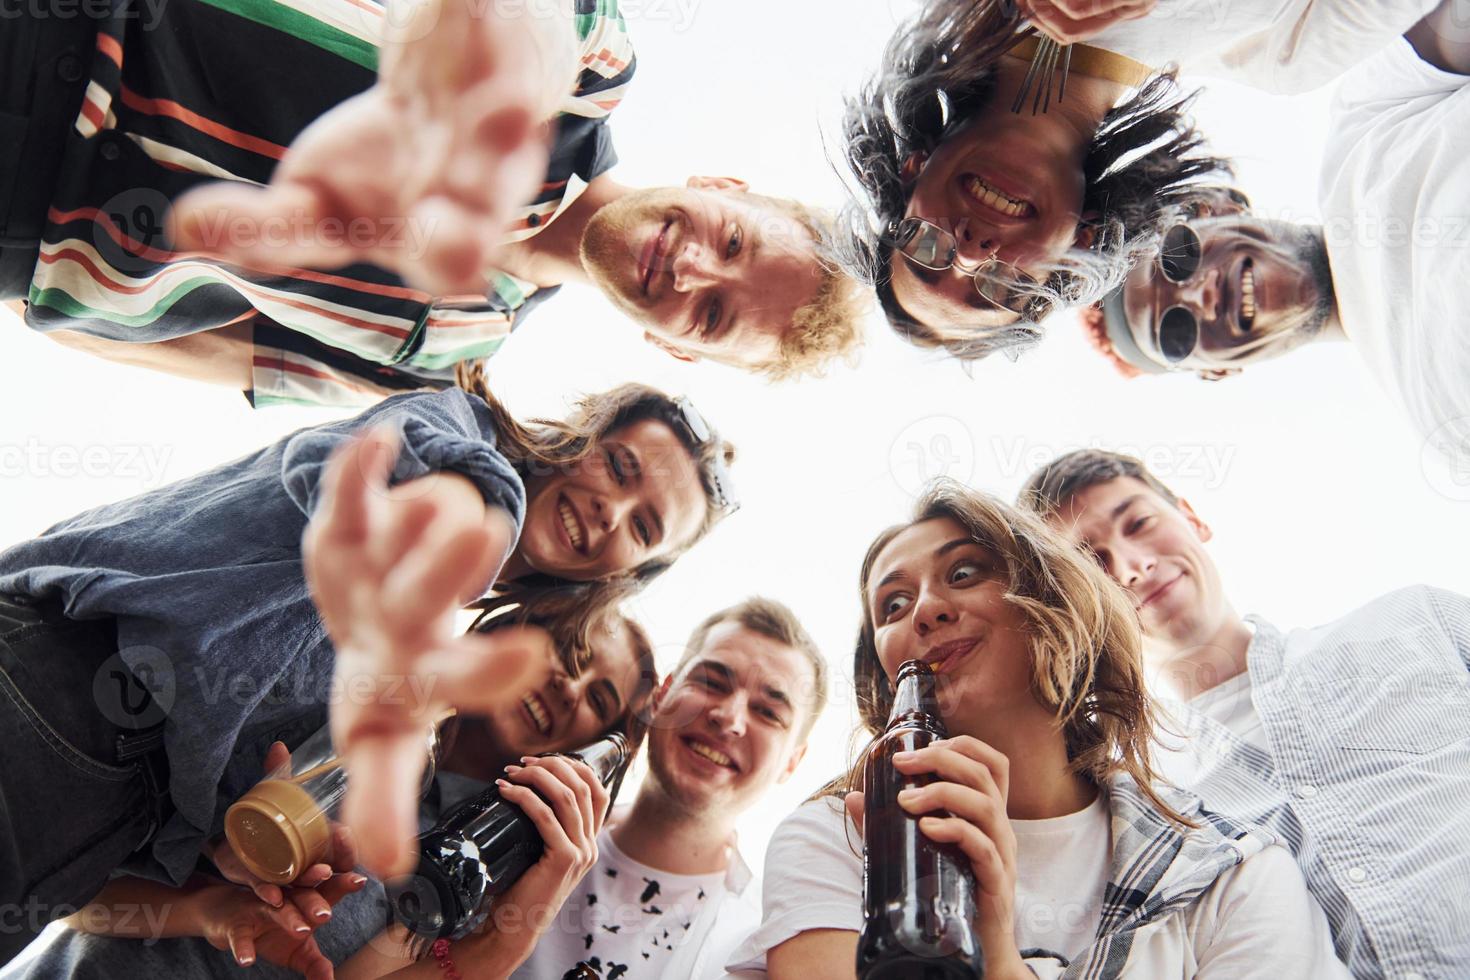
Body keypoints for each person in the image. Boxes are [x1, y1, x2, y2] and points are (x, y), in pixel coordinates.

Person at [0, 379, 735, 964]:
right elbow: (418, 487)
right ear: (580, 437)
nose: (612, 511)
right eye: (619, 465)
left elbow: (201, 827)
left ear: (628, 574)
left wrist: (229, 861)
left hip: (98, 821)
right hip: (59, 692)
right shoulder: (459, 437)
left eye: (642, 526)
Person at [1, 0, 864, 408]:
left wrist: (42, 292)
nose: (693, 268)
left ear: (673, 349)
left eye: (711, 316)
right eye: (736, 243)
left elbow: (223, 357)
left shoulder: (438, 363)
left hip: (21, 215)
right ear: (724, 188)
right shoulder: (590, 66)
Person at [728, 481, 1347, 978]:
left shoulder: (1231, 872)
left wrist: (998, 956)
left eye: (965, 572)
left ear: (1054, 600)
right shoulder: (840, 839)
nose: (924, 609)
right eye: (892, 604)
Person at [5, 593, 662, 980]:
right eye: (571, 654)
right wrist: (204, 906)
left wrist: (501, 942)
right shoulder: (341, 706)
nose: (567, 687)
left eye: (597, 697)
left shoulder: (493, 891)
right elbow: (75, 891)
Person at [1019, 448, 1470, 977]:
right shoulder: (1146, 804)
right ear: (1079, 606)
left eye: (1138, 523)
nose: (1133, 566)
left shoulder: (1417, 620)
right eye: (1094, 562)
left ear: (1192, 517)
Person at [341, 596, 828, 980]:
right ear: (661, 696)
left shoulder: (758, 941)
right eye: (712, 681)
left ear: (793, 762)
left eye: (769, 712)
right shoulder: (512, 826)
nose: (729, 717)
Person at [1079, 0, 1470, 470]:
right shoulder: (1445, 426)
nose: (1200, 297)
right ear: (1217, 369)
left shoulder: (1371, 119)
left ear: (1217, 207)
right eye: (1175, 332)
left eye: (1178, 257)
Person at [836, 0, 1230, 360]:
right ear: (1080, 242)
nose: (971, 253)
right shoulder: (1274, 51)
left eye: (925, 248)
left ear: (913, 170)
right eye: (1000, 284)